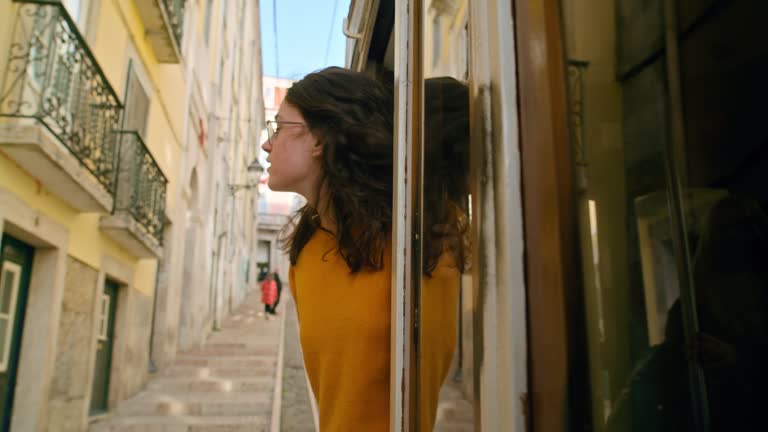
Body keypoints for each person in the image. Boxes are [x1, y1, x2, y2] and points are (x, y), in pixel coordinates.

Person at [262, 67, 466, 431]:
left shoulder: (419, 243)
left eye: (278, 128)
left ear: (320, 139)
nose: (267, 143)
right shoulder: (306, 251)